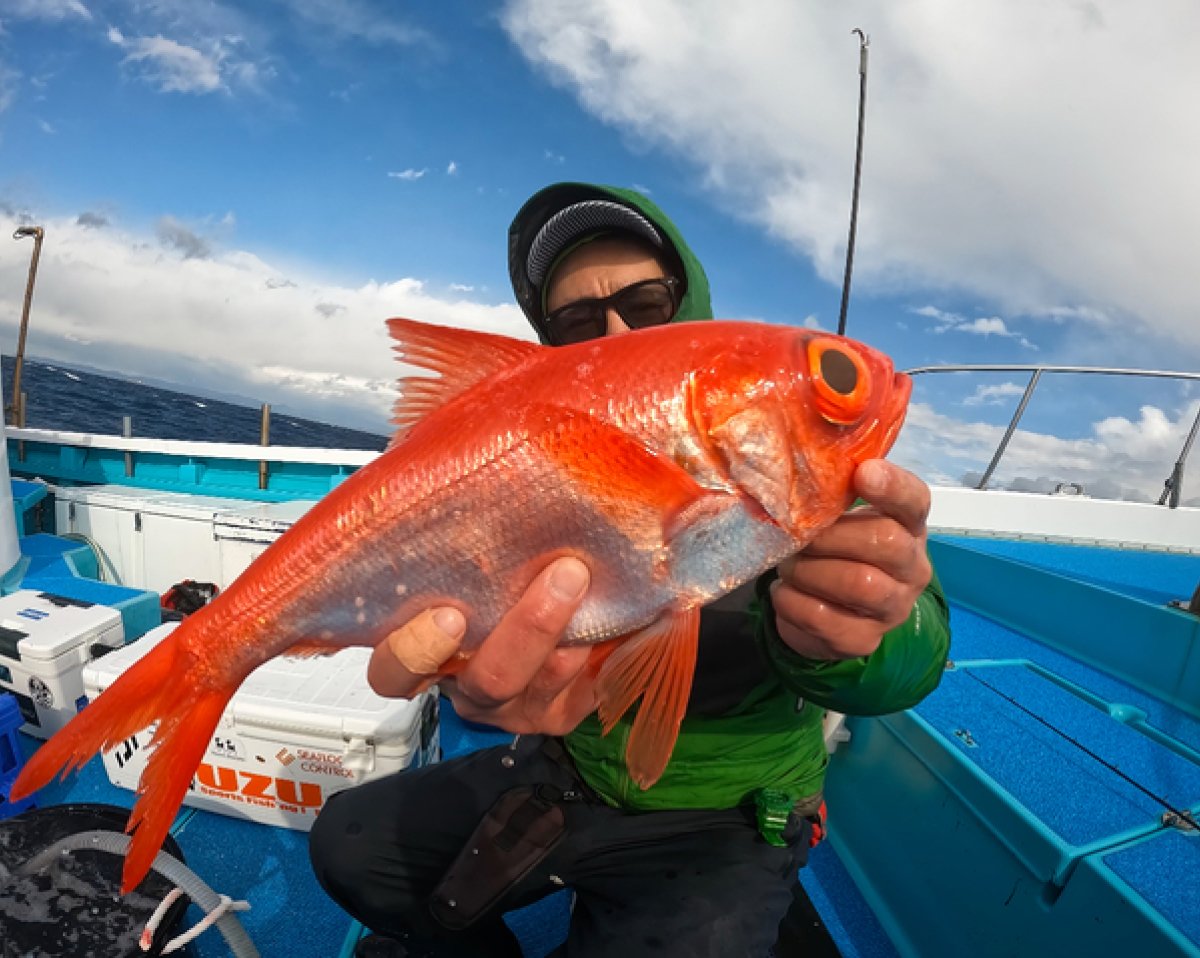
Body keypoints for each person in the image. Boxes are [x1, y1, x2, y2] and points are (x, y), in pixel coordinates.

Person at [309, 182, 951, 958]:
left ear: (692, 309)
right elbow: (493, 671)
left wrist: (864, 631)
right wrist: (460, 667)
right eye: (576, 319)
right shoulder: (532, 468)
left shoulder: (810, 478)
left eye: (645, 303)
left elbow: (911, 656)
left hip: (730, 815)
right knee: (349, 846)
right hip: (569, 771)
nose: (612, 328)